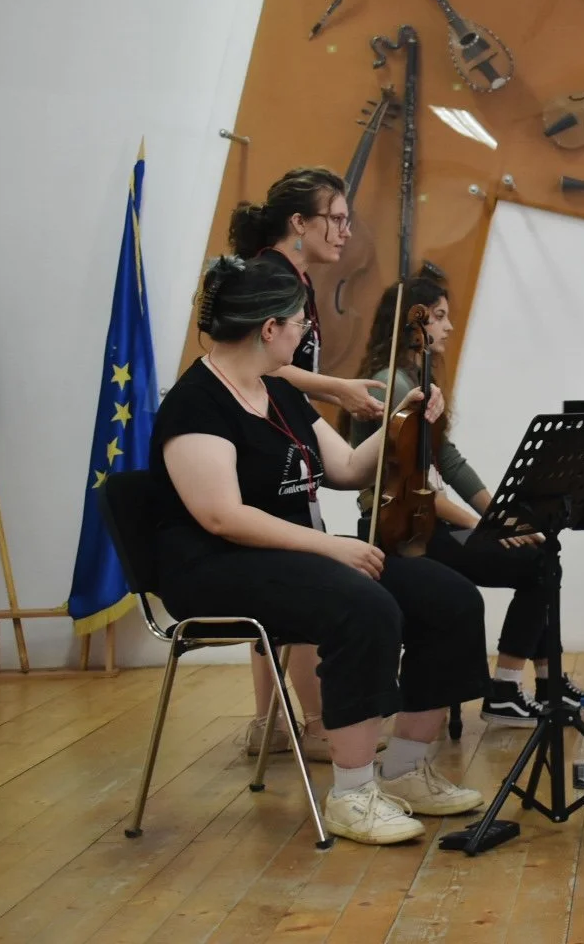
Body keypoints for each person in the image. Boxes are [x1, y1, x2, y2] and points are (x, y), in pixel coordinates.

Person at [151, 254, 490, 845]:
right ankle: (353, 794)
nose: (306, 332)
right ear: (269, 329)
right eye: (300, 322)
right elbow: (220, 516)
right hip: (212, 568)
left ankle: (407, 769)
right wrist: (331, 549)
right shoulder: (195, 403)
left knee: (451, 598)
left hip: (288, 556)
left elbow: (352, 468)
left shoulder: (278, 394)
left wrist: (407, 418)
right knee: (363, 605)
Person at [346, 269, 584, 724]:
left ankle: (547, 685)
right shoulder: (391, 384)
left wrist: (503, 515)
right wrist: (486, 525)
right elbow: (418, 489)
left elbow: (447, 461)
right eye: (441, 316)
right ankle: (506, 690)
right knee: (539, 561)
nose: (449, 326)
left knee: (538, 544)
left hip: (428, 524)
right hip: (403, 534)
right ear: (416, 323)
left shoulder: (415, 378)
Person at [224, 167, 389, 760]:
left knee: (281, 594)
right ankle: (316, 724)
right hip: (262, 439)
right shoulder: (271, 276)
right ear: (300, 223)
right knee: (297, 583)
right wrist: (337, 388)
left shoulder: (288, 274)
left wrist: (331, 392)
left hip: (281, 428)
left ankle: (270, 726)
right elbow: (256, 362)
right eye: (335, 219)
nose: (345, 232)